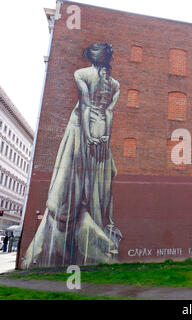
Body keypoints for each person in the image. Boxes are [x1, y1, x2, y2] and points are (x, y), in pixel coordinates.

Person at [22, 43, 122, 268]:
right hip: (96, 131)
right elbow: (108, 112)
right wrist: (103, 138)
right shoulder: (115, 84)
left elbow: (86, 107)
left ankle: (78, 223)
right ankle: (88, 220)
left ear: (91, 57)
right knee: (100, 175)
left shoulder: (82, 74)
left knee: (76, 173)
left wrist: (91, 137)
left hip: (81, 129)